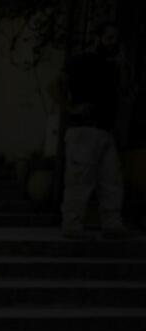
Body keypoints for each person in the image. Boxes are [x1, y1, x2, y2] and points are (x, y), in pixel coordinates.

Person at [61, 22, 132, 239]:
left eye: (115, 38)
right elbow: (56, 86)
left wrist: (122, 66)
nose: (113, 43)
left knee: (111, 181)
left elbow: (123, 91)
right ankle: (72, 225)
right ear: (97, 38)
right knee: (80, 182)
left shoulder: (112, 65)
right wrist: (71, 108)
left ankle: (112, 223)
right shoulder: (80, 61)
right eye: (109, 38)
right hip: (84, 129)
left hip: (105, 131)